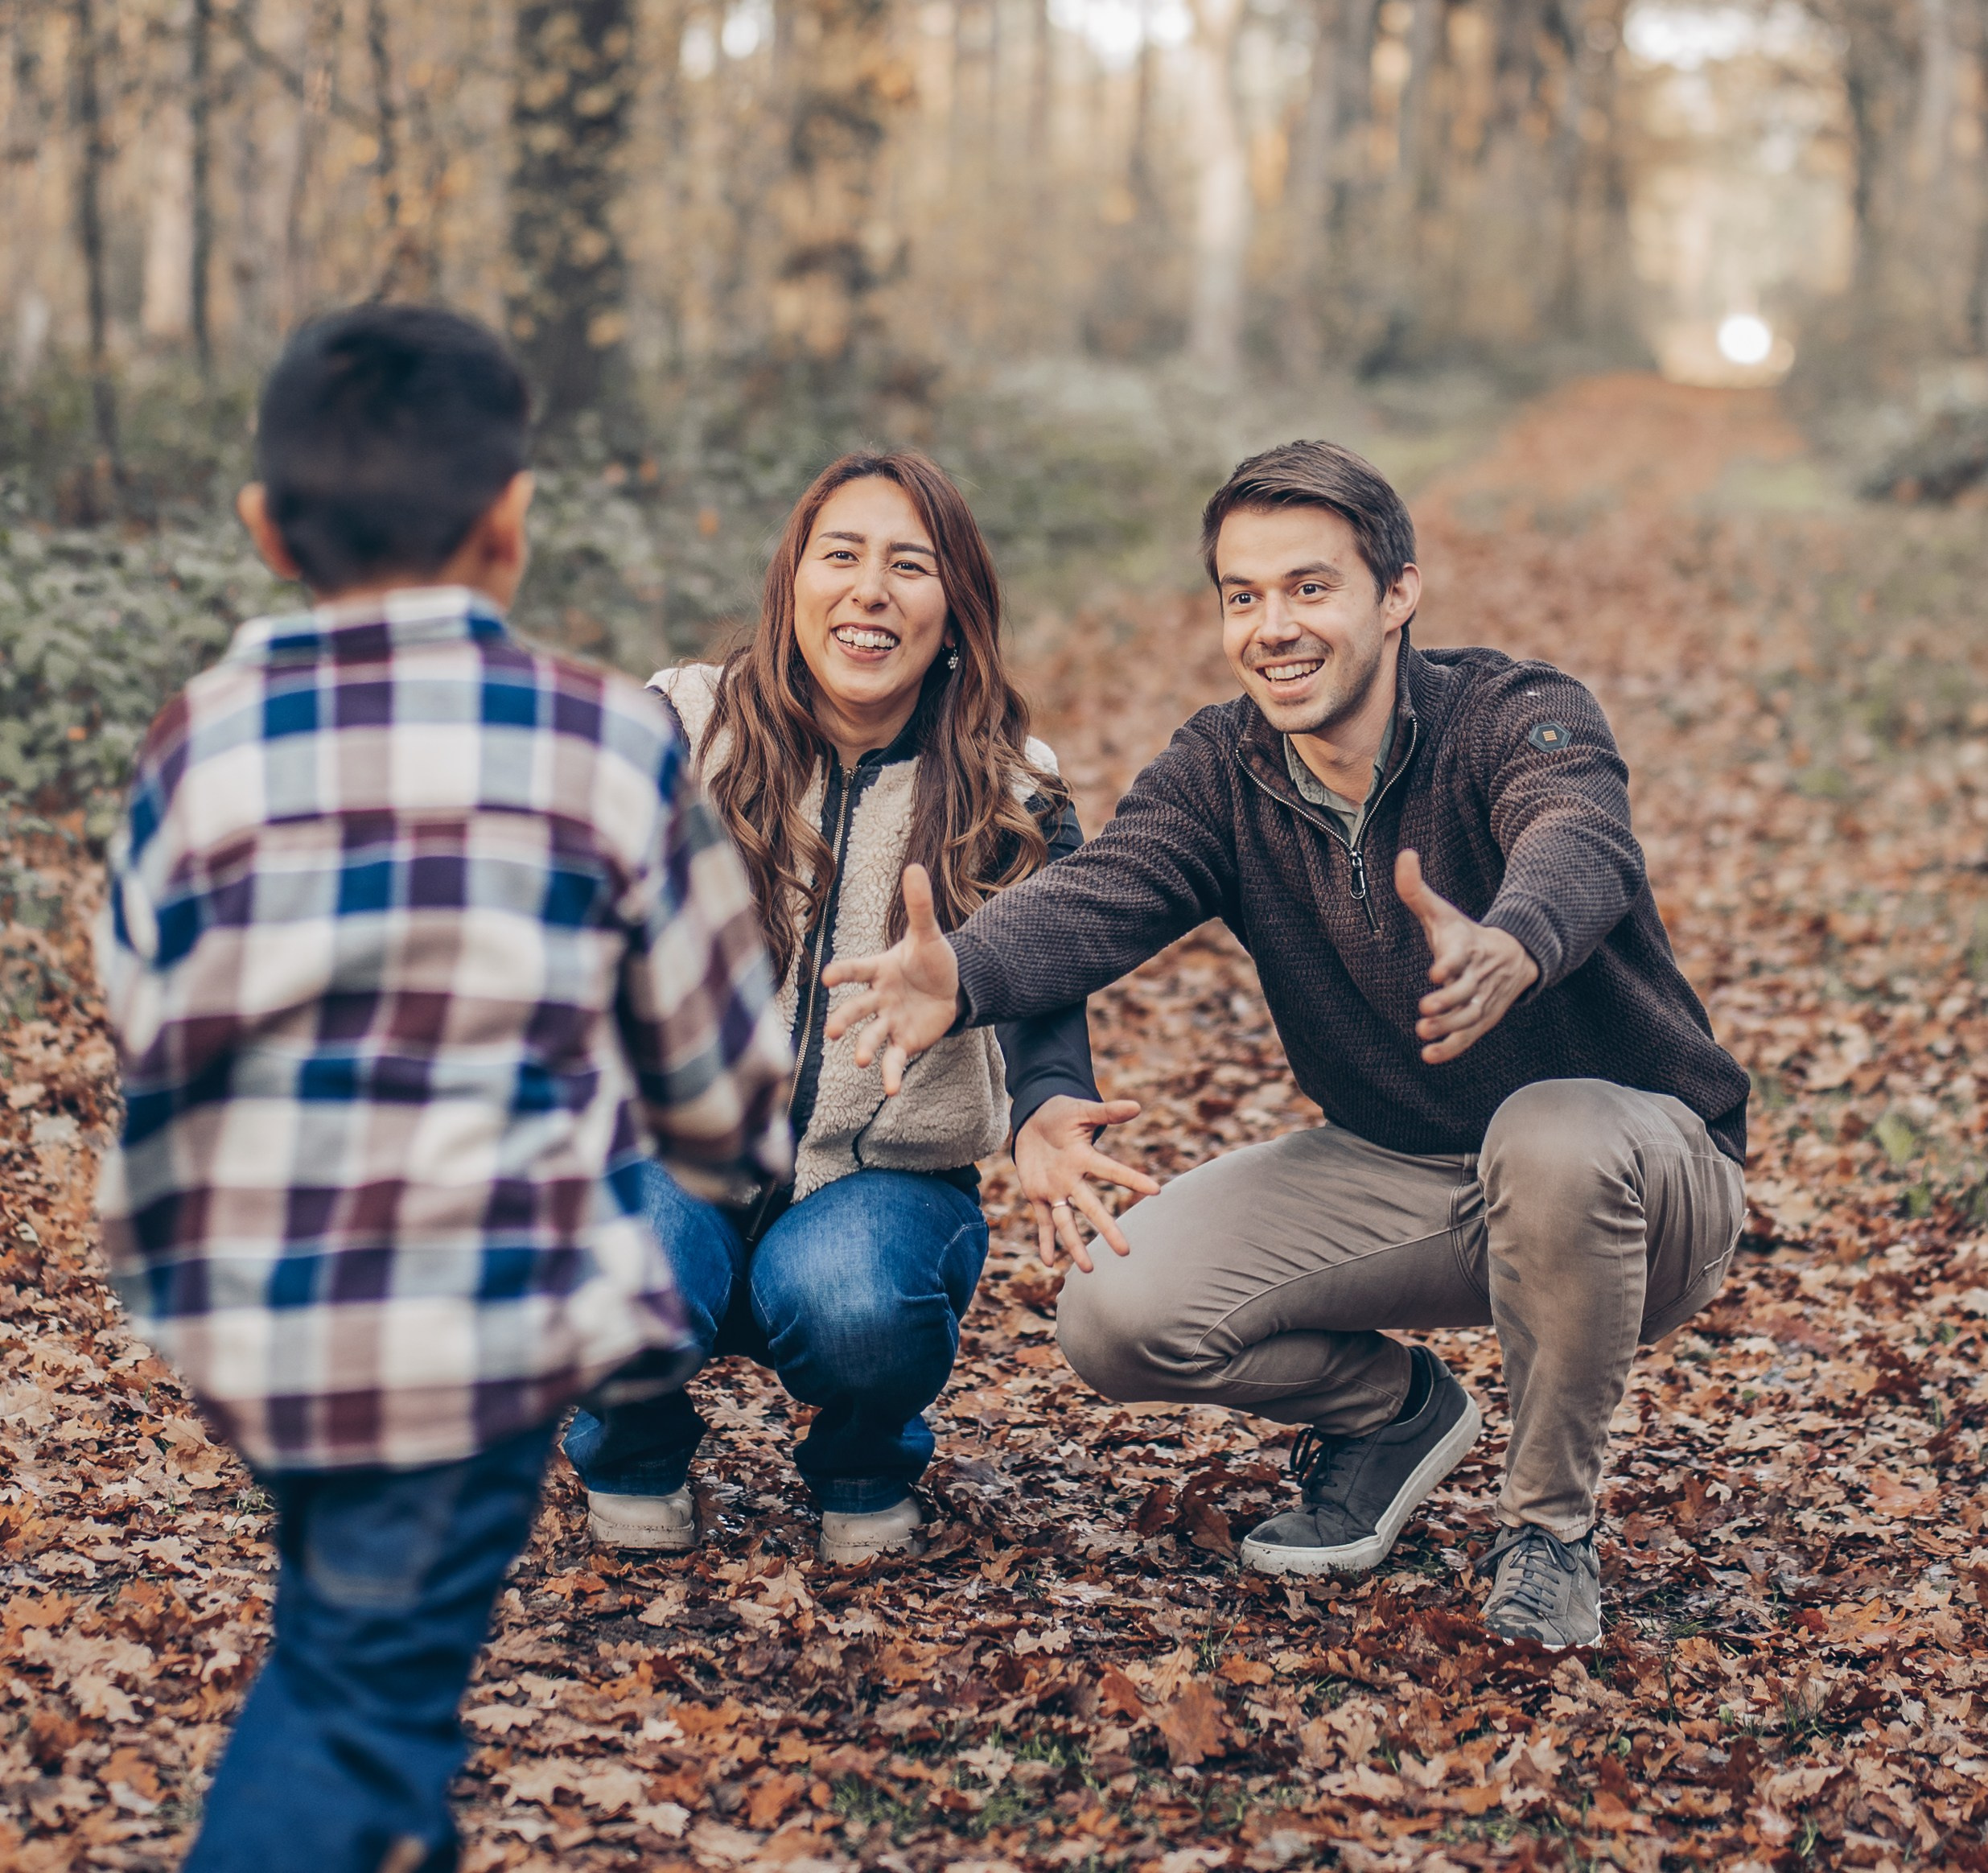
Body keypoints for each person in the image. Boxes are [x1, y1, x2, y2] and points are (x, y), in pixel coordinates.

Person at [821, 439, 1751, 1649]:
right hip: (1411, 1167)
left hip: (1639, 1178)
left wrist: (1517, 942)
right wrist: (968, 972)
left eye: (1311, 588)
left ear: (1398, 593)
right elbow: (1108, 890)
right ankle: (1394, 1414)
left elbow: (1579, 834)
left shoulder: (1513, 713)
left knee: (1552, 1131)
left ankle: (1547, 1535)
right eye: (1243, 595)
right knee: (1117, 1310)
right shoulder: (1225, 768)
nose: (1274, 628)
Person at [95, 303, 792, 1873]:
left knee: (365, 1633)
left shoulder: (197, 745)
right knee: (361, 1695)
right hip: (467, 1318)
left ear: (264, 528)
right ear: (511, 520)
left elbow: (144, 1010)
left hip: (243, 1306)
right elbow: (727, 1091)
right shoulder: (604, 744)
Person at [564, 450, 1155, 1566]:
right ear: (794, 579)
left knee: (856, 1302)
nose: (870, 591)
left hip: (882, 1182)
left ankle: (864, 1463)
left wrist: (1048, 1107)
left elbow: (1044, 991)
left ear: (956, 606)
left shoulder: (1011, 786)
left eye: (909, 566)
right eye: (841, 555)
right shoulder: (682, 726)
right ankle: (631, 1450)